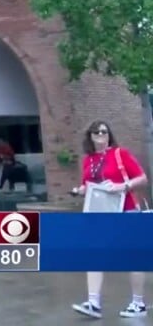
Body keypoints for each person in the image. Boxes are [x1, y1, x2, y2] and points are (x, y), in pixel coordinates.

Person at [71, 120, 148, 319]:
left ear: (109, 135)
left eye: (104, 131)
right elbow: (88, 185)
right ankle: (93, 303)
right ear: (90, 136)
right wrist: (80, 190)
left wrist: (122, 186)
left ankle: (138, 303)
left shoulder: (120, 154)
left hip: (126, 210)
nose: (100, 134)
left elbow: (142, 178)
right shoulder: (88, 160)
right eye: (96, 132)